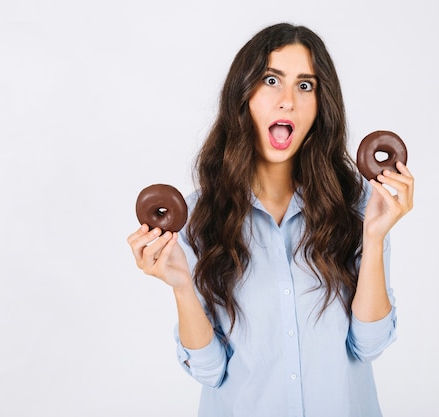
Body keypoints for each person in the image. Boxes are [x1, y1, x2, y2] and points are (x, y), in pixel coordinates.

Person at [127, 22, 414, 417]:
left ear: (320, 105)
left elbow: (369, 344)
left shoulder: (360, 206)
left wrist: (376, 236)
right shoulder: (195, 220)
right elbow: (210, 371)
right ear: (242, 96)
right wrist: (181, 286)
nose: (287, 101)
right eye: (271, 79)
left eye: (305, 85)